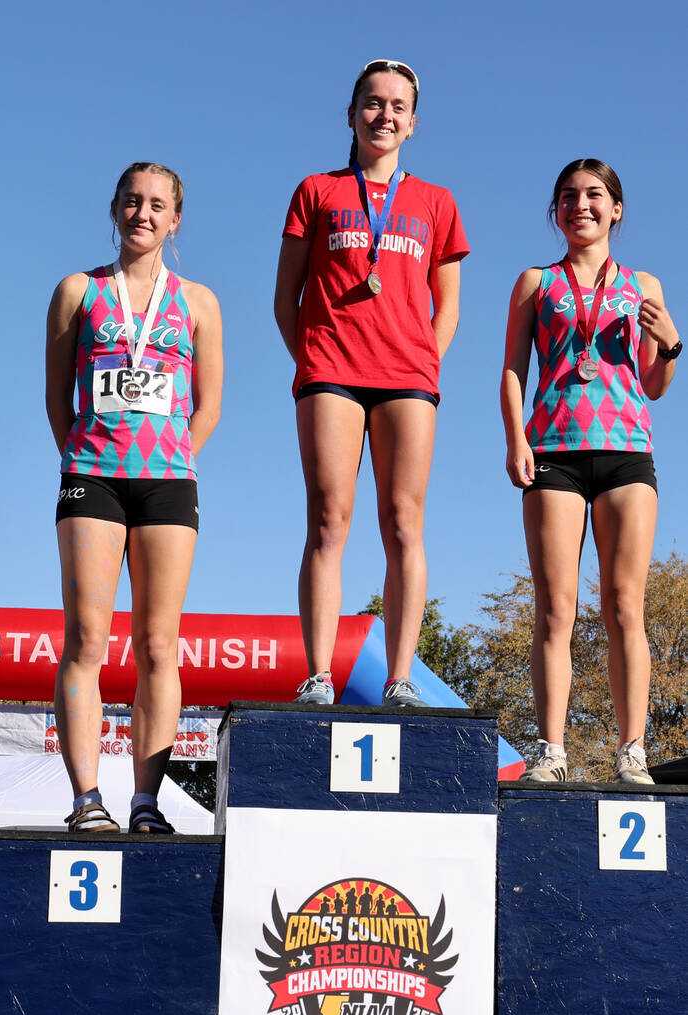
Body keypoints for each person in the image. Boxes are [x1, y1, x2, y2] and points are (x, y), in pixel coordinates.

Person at [274, 59, 469, 707]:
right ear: (352, 113)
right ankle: (319, 676)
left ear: (413, 124)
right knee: (329, 520)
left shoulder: (437, 201)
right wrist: (313, 361)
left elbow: (450, 307)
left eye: (397, 106)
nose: (384, 115)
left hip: (408, 380)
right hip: (330, 372)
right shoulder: (316, 190)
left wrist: (422, 362)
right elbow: (286, 297)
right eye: (373, 103)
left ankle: (400, 677)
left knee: (404, 524)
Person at [46, 162, 223, 832]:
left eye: (157, 205)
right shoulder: (77, 292)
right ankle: (87, 800)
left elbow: (208, 406)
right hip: (92, 475)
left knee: (158, 643)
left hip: (168, 483)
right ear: (114, 209)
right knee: (87, 638)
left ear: (175, 219)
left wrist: (173, 454)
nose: (143, 214)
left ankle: (145, 802)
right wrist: (85, 453)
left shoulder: (198, 302)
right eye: (132, 201)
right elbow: (55, 398)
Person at [501, 158, 680, 784]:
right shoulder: (535, 282)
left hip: (627, 451)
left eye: (595, 195)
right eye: (570, 196)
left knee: (624, 604)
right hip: (553, 451)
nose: (582, 205)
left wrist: (673, 343)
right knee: (555, 607)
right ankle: (552, 750)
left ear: (617, 209)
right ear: (556, 211)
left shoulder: (644, 284)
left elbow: (655, 385)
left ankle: (633, 752)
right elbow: (513, 369)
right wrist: (514, 438)